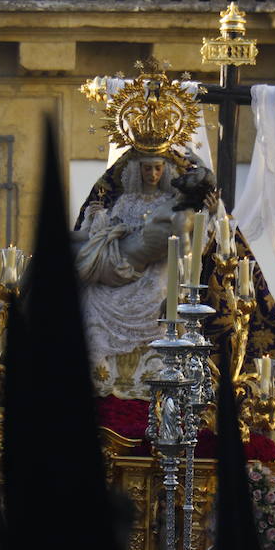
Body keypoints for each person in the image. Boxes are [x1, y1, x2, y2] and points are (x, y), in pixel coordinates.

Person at [73, 152, 190, 397]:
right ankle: (99, 377)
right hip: (120, 262)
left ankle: (156, 379)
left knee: (158, 295)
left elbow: (188, 242)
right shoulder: (127, 201)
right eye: (147, 169)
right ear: (138, 170)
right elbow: (103, 233)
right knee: (94, 295)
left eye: (157, 168)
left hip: (156, 270)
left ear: (165, 170)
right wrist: (95, 217)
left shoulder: (173, 203)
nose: (153, 174)